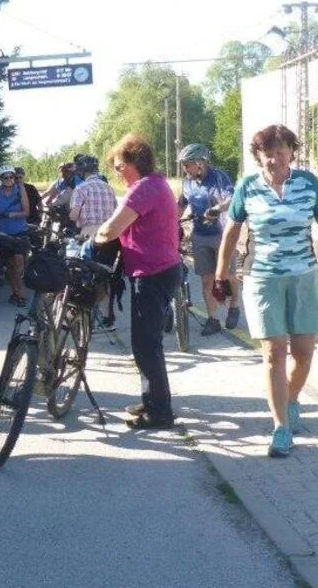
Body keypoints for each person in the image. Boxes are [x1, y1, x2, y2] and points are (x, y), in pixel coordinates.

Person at [214, 124, 318, 458]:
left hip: (303, 277)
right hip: (262, 278)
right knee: (274, 351)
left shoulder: (308, 184)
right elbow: (232, 233)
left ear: (292, 152)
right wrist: (222, 275)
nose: (274, 159)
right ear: (258, 156)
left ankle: (291, 399)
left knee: (304, 352)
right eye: (267, 153)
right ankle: (280, 427)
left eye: (281, 152)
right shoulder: (247, 187)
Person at [93, 135, 182, 430]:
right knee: (145, 343)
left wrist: (93, 239)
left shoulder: (142, 190)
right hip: (160, 270)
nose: (117, 172)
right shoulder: (155, 184)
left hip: (152, 274)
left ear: (135, 162)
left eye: (120, 166)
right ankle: (152, 400)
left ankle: (160, 413)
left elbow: (111, 230)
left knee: (146, 345)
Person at [176, 144, 239, 336]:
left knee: (227, 274)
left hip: (221, 233)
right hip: (200, 235)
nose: (185, 169)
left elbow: (232, 198)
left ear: (200, 163)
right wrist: (170, 222)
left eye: (188, 164)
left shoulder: (219, 177)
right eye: (184, 165)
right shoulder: (187, 183)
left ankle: (234, 306)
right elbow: (180, 206)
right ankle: (213, 319)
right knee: (206, 279)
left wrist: (217, 209)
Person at [0, 164, 30, 307]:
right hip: (3, 233)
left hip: (19, 231)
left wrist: (15, 214)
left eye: (11, 176)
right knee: (9, 266)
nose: (9, 179)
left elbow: (27, 212)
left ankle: (20, 294)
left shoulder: (20, 190)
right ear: (1, 179)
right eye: (5, 177)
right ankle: (15, 292)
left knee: (19, 262)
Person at [68, 154, 118, 240]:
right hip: (109, 233)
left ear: (82, 171)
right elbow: (116, 211)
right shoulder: (109, 188)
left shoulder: (80, 189)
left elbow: (74, 216)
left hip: (88, 234)